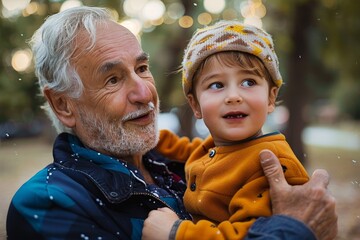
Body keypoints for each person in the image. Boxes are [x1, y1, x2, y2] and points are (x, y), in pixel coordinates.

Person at [5, 6, 337, 240]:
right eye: (113, 80)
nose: (143, 92)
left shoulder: (176, 163)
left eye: (142, 68)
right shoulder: (49, 203)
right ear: (63, 105)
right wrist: (296, 230)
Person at [142, 20, 309, 240]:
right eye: (217, 85)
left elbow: (249, 235)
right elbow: (190, 150)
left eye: (248, 82)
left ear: (271, 98)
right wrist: (149, 136)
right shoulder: (217, 146)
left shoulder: (270, 164)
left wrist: (177, 233)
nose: (233, 96)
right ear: (195, 105)